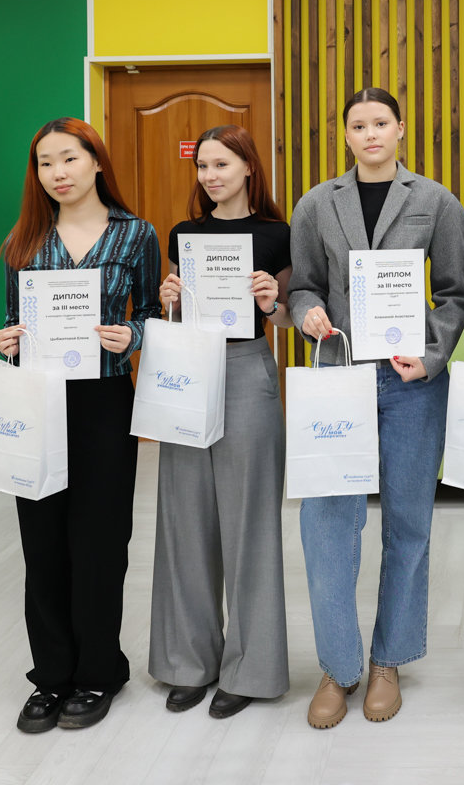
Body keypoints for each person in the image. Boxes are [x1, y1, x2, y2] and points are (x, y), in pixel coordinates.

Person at [288, 87, 464, 729]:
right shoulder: (317, 203)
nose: (370, 134)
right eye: (358, 125)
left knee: (408, 523)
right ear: (345, 135)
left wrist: (432, 354)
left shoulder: (436, 201)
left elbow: (456, 294)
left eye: (380, 123)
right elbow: (302, 284)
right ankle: (338, 666)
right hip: (338, 379)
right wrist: (307, 314)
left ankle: (388, 659)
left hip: (410, 382)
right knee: (326, 524)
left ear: (400, 129)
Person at [0, 117, 162, 732]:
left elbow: (151, 311)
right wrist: (6, 339)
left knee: (100, 542)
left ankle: (98, 672)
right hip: (38, 401)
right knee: (41, 542)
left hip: (105, 402)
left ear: (95, 161)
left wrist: (132, 334)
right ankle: (51, 676)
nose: (57, 173)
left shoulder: (136, 234)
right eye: (45, 163)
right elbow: (12, 319)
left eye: (68, 158)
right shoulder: (24, 240)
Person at [148, 124, 292, 719]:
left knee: (250, 521)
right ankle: (188, 662)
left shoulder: (278, 235)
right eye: (202, 166)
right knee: (184, 518)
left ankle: (250, 669)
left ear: (248, 167)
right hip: (189, 367)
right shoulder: (184, 235)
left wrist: (271, 301)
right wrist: (169, 299)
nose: (210, 176)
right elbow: (175, 314)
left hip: (247, 370)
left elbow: (288, 316)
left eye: (222, 165)